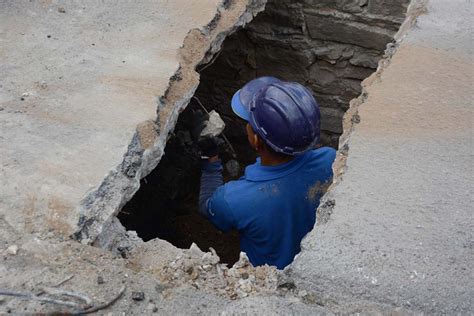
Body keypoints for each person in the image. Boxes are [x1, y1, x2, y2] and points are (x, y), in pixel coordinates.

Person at [198, 77, 336, 269]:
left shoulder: (233, 200)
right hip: (319, 264)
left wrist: (210, 160)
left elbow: (206, 207)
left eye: (248, 122)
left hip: (271, 283)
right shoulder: (331, 161)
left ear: (256, 140)